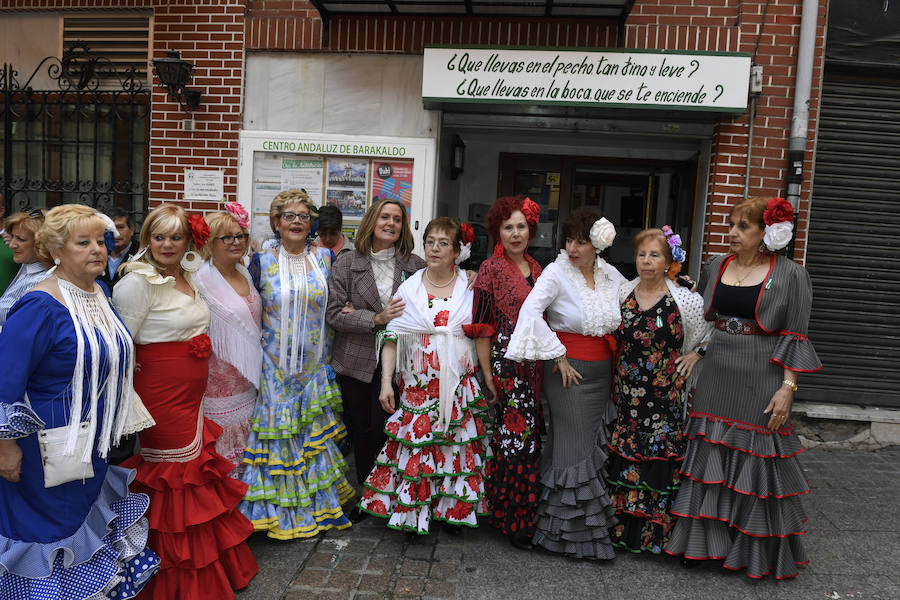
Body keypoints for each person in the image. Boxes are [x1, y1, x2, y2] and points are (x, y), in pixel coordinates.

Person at [0, 204, 159, 598]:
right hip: (44, 452)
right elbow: (4, 382)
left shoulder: (99, 292)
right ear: (56, 250)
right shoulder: (39, 305)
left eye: (101, 242)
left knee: (82, 535)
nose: (98, 250)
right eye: (82, 243)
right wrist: (5, 448)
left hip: (91, 446)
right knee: (46, 539)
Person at [665, 197, 822, 579]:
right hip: (718, 370)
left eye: (742, 227)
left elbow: (796, 336)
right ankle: (702, 545)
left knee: (756, 460)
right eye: (731, 224)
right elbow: (707, 319)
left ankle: (749, 551)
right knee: (710, 457)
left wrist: (787, 388)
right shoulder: (716, 265)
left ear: (766, 233)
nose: (732, 232)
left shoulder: (790, 275)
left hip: (761, 372)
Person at [113, 203, 258, 599]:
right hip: (159, 395)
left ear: (188, 241)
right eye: (158, 236)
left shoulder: (190, 275)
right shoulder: (136, 282)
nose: (167, 244)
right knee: (175, 476)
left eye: (175, 236)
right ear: (147, 239)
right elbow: (123, 346)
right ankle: (172, 573)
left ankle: (204, 565)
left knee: (195, 469)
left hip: (194, 393)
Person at [506, 208, 626, 560]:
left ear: (598, 245)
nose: (573, 247)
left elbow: (636, 298)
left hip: (602, 372)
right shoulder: (557, 272)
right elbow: (530, 312)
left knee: (585, 448)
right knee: (573, 449)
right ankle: (568, 537)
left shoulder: (610, 275)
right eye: (569, 240)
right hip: (566, 373)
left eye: (582, 241)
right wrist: (557, 355)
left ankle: (560, 532)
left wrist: (672, 284)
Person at [358, 217, 490, 534]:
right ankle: (414, 514)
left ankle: (452, 513)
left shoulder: (470, 287)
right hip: (418, 386)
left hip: (458, 387)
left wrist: (487, 375)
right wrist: (386, 382)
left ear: (458, 251)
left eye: (443, 243)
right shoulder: (410, 286)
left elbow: (482, 332)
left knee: (453, 450)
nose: (434, 248)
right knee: (418, 451)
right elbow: (392, 337)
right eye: (430, 241)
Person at [240, 189, 354, 539]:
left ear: (312, 223)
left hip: (316, 367)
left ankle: (317, 509)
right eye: (288, 216)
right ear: (276, 222)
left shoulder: (327, 259)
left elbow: (341, 300)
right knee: (279, 439)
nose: (296, 222)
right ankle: (274, 514)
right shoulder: (261, 261)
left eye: (303, 216)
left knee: (312, 441)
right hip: (273, 367)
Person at [606, 227, 712, 554]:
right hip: (627, 392)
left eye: (655, 255)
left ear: (668, 261)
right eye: (642, 254)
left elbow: (709, 329)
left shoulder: (685, 298)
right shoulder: (622, 292)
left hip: (665, 393)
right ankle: (622, 532)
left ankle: (654, 536)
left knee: (658, 456)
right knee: (626, 454)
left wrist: (697, 354)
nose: (647, 261)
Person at [326, 198, 426, 517]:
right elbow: (333, 314)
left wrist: (362, 312)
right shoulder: (347, 262)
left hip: (401, 362)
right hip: (355, 361)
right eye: (385, 217)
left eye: (397, 219)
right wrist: (375, 319)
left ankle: (393, 495)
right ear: (372, 220)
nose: (391, 223)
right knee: (362, 431)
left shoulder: (416, 266)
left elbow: (425, 310)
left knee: (392, 429)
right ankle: (367, 494)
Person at [471, 195, 544, 550]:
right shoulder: (490, 269)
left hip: (535, 366)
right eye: (508, 227)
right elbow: (482, 326)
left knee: (525, 440)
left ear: (531, 230)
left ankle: (507, 513)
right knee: (519, 440)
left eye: (521, 226)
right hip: (506, 364)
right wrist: (487, 374)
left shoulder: (539, 268)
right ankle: (517, 522)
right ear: (497, 231)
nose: (516, 233)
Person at [193, 203, 262, 477]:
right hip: (216, 380)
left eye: (240, 236)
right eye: (227, 237)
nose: (236, 242)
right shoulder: (199, 279)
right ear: (211, 242)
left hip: (246, 378)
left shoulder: (244, 271)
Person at [0, 208, 50, 326]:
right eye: (12, 237)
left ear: (41, 244)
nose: (12, 245)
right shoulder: (28, 264)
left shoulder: (41, 283)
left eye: (21, 239)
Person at [98, 206, 139, 291]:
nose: (115, 233)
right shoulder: (96, 253)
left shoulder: (141, 254)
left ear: (131, 229)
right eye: (109, 228)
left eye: (120, 227)